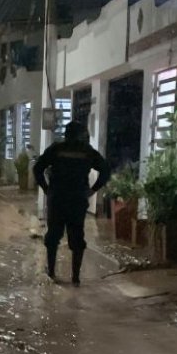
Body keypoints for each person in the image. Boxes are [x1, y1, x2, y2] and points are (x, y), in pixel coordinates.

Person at [33, 121, 110, 287]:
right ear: (82, 135)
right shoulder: (87, 151)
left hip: (58, 199)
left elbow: (37, 168)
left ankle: (52, 272)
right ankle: (75, 278)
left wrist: (46, 189)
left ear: (66, 134)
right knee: (77, 237)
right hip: (77, 200)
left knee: (53, 235)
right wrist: (92, 190)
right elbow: (105, 170)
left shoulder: (56, 149)